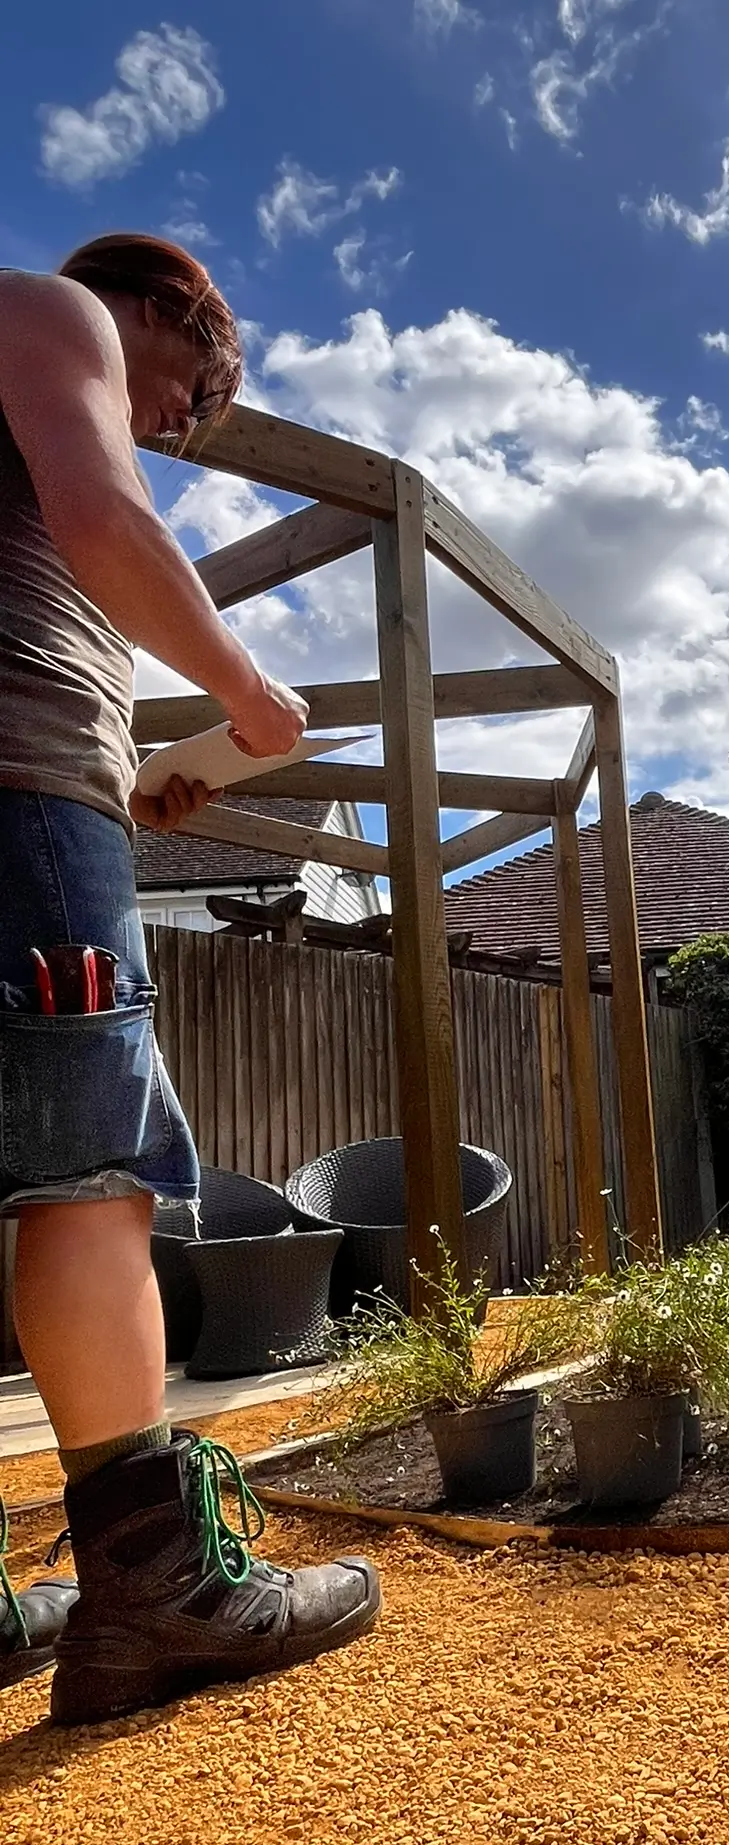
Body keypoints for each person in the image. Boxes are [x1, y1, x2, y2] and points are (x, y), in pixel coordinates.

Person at [0, 235, 379, 1724]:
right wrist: (245, 694)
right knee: (93, 1180)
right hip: (21, 807)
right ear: (168, 306)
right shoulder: (49, 311)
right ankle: (156, 1598)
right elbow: (97, 515)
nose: (181, 420)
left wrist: (148, 770)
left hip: (46, 784)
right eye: (195, 383)